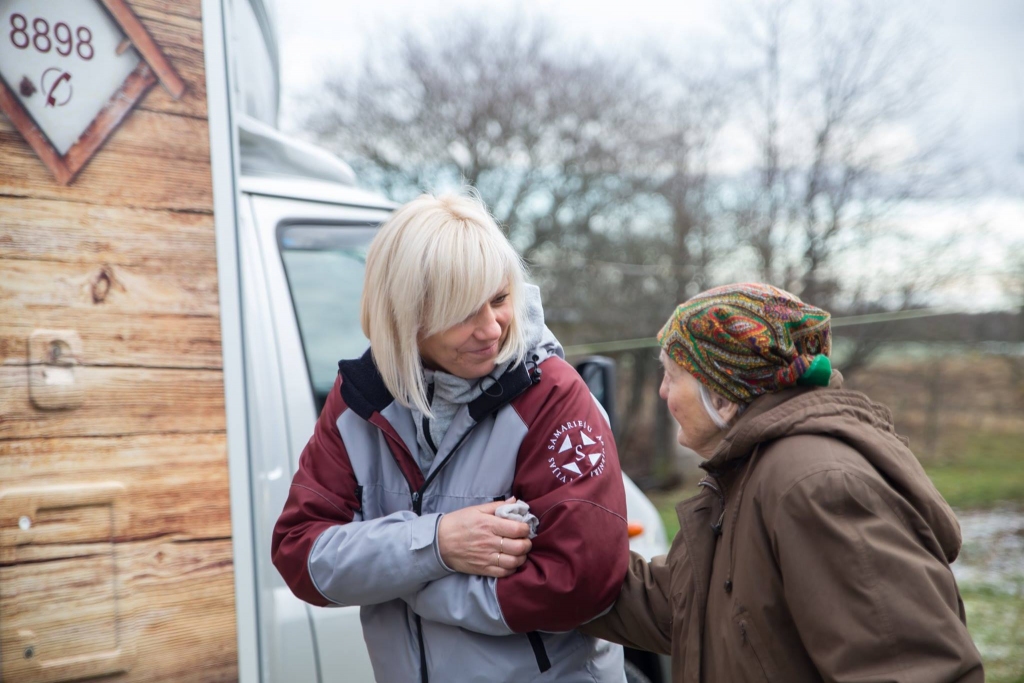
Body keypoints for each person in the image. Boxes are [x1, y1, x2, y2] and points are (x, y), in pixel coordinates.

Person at [272, 192, 630, 682]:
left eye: (501, 298)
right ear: (405, 314)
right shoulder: (357, 401)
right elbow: (300, 556)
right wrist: (436, 543)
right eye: (463, 311)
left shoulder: (554, 396)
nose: (491, 329)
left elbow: (580, 582)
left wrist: (411, 583)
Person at [581, 283, 984, 683]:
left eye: (672, 376)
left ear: (722, 394)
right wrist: (548, 560)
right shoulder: (748, 474)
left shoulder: (815, 485)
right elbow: (681, 606)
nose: (662, 391)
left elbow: (910, 669)